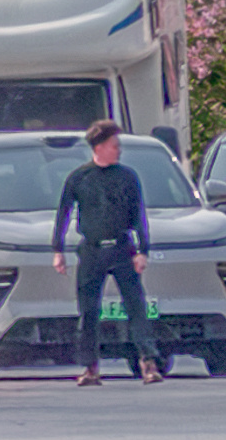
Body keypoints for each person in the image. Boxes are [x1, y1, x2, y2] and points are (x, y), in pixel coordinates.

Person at [57, 120, 160, 384]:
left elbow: (138, 215)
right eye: (115, 145)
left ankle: (148, 361)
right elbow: (64, 214)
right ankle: (90, 367)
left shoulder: (127, 177)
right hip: (91, 251)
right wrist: (57, 249)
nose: (119, 150)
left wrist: (142, 249)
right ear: (100, 147)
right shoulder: (79, 178)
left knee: (136, 306)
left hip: (122, 248)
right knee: (89, 310)